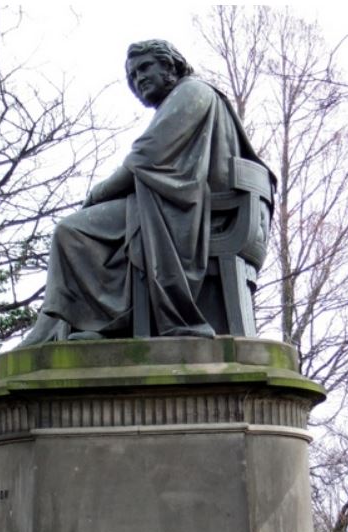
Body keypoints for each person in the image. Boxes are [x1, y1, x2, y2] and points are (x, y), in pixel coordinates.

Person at [19, 39, 274, 347]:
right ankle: (91, 324)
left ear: (170, 65)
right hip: (185, 207)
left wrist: (98, 193)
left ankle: (99, 323)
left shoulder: (191, 92)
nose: (138, 79)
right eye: (132, 76)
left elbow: (146, 156)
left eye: (144, 68)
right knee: (86, 230)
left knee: (72, 231)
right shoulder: (193, 96)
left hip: (193, 213)